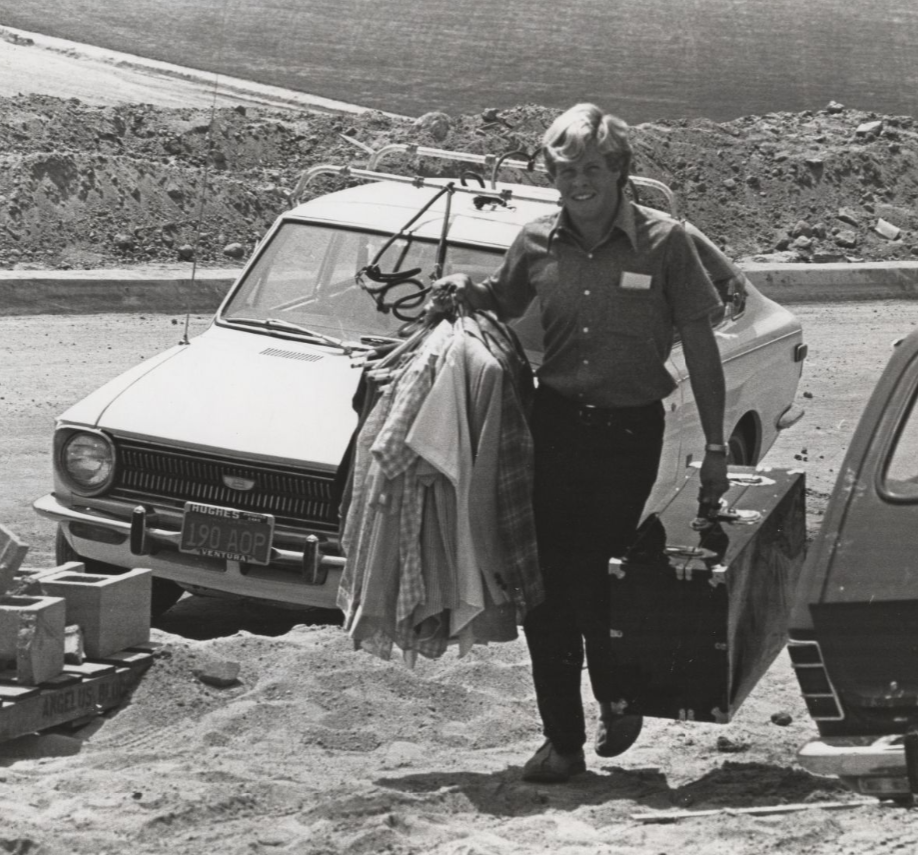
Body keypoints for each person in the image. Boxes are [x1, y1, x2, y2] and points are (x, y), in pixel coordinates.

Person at [432, 103, 730, 783]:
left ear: (620, 170)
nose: (577, 182)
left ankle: (617, 699)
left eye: (591, 168)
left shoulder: (666, 243)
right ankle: (563, 740)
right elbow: (503, 300)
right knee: (543, 589)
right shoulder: (536, 240)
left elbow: (705, 352)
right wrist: (464, 289)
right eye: (564, 170)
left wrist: (716, 448)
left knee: (594, 573)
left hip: (629, 433)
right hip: (554, 423)